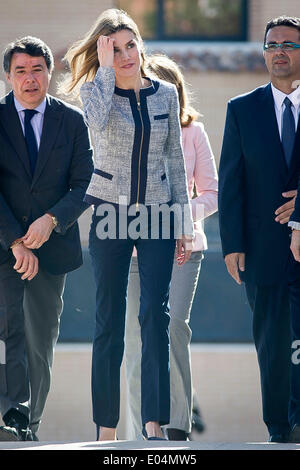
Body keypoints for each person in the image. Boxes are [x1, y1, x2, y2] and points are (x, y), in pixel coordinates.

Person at [60, 8, 194, 441]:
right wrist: (101, 71)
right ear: (103, 55)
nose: (124, 56)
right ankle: (106, 428)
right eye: (113, 49)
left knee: (155, 314)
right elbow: (96, 127)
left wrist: (184, 222)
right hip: (109, 213)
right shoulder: (96, 94)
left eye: (129, 45)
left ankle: (153, 422)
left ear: (141, 45)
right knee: (108, 321)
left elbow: (175, 159)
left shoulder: (165, 95)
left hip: (157, 214)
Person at [0, 36, 93, 441]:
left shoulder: (71, 121)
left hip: (53, 248)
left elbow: (86, 182)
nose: (30, 78)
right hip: (4, 245)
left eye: (37, 69)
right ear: (8, 76)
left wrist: (51, 220)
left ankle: (30, 425)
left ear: (49, 73)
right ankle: (10, 417)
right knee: (8, 333)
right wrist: (15, 241)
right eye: (20, 71)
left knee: (39, 342)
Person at [124, 54, 218, 441]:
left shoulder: (193, 132)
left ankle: (178, 425)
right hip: (132, 253)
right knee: (136, 337)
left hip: (183, 248)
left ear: (175, 93)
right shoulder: (127, 129)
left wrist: (176, 216)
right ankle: (142, 432)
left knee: (173, 327)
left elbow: (212, 194)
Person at [218, 16, 300, 443]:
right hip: (261, 247)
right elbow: (230, 182)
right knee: (272, 343)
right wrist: (231, 244)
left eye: (289, 44)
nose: (280, 51)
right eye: (272, 45)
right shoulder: (241, 108)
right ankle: (280, 429)